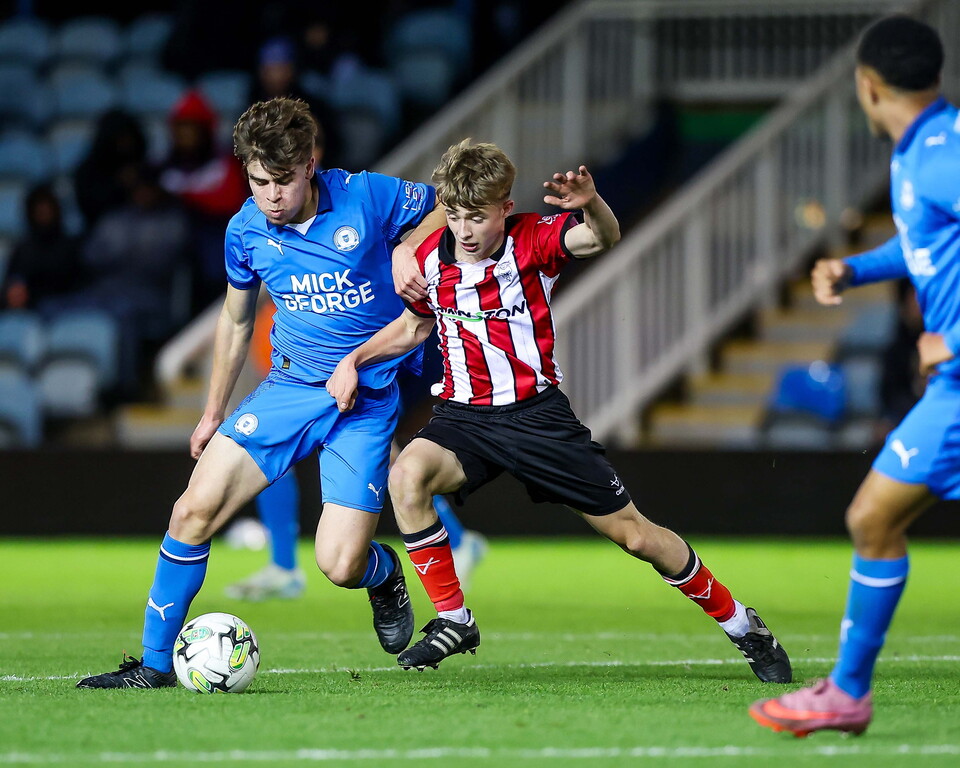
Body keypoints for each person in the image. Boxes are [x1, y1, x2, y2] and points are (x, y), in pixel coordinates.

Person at [326, 139, 792, 681]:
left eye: (477, 217)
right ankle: (454, 619)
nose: (465, 230)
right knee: (407, 476)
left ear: (505, 207)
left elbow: (603, 237)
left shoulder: (534, 241)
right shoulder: (431, 259)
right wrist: (354, 359)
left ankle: (743, 626)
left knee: (636, 536)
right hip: (464, 418)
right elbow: (414, 326)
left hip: (537, 419)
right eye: (454, 216)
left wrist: (591, 203)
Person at [76, 96, 446, 689]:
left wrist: (407, 246)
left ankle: (382, 574)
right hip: (289, 390)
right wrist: (212, 412)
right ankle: (151, 665)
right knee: (192, 510)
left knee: (339, 564)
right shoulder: (244, 228)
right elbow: (236, 319)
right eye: (256, 181)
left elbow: (447, 205)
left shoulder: (366, 195)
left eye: (281, 181)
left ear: (310, 166)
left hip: (365, 397)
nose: (269, 195)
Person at [750, 15, 960, 737]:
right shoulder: (923, 152)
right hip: (950, 392)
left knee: (873, 518)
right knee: (873, 518)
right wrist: (858, 269)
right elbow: (925, 242)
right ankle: (847, 692)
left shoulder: (938, 157)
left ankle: (846, 693)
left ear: (868, 87)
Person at [224, 304, 488, 601]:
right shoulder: (283, 297)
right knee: (273, 443)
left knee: (387, 455)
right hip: (325, 357)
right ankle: (282, 565)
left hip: (374, 357)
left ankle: (458, 541)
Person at [157, 89, 251, 312]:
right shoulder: (160, 167)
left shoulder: (226, 165)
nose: (184, 135)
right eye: (180, 127)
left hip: (213, 238)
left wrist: (183, 198)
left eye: (191, 128)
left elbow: (230, 202)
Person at [2, 183, 84, 311]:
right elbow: (13, 284)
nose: (44, 215)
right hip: (30, 312)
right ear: (31, 214)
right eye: (39, 212)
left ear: (56, 210)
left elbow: (81, 284)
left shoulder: (72, 247)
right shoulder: (23, 250)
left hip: (68, 309)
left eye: (48, 210)